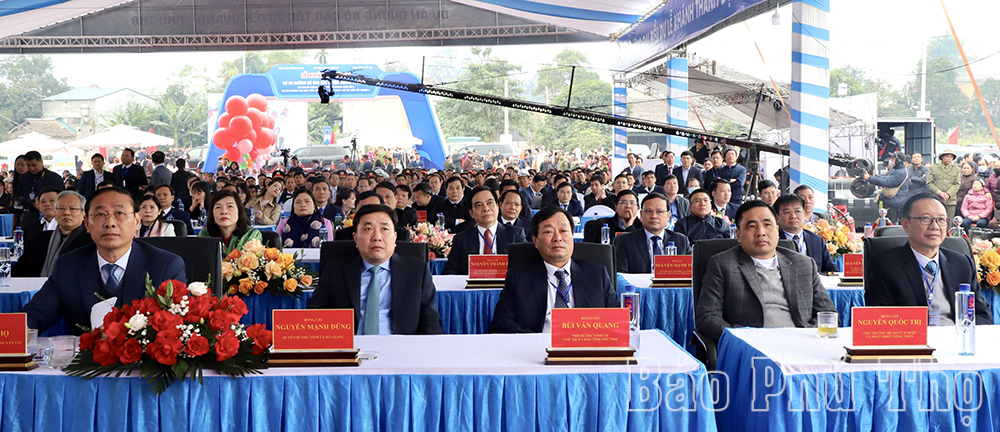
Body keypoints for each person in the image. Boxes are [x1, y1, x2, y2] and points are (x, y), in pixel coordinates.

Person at [20, 186, 186, 335]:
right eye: (100, 214)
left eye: (119, 213)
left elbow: (177, 324)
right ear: (86, 223)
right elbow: (37, 313)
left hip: (142, 366)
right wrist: (14, 331)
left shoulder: (165, 265)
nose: (110, 223)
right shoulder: (69, 265)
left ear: (137, 221)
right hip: (85, 364)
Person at [695, 200, 837, 344]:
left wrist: (806, 338)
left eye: (767, 225)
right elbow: (707, 317)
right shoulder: (723, 264)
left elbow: (828, 314)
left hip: (801, 345)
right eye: (751, 226)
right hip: (753, 348)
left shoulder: (804, 264)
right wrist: (741, 339)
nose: (761, 232)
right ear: (738, 234)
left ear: (777, 229)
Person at [306, 204, 443, 335]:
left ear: (395, 238)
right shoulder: (335, 271)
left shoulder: (417, 271)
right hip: (351, 349)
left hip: (401, 349)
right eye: (368, 229)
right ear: (356, 238)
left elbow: (430, 319)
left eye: (384, 229)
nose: (377, 237)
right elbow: (314, 314)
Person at [864, 193, 991, 325]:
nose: (934, 226)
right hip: (913, 342)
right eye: (925, 218)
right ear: (906, 224)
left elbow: (982, 314)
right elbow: (880, 320)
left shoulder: (962, 263)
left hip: (958, 339)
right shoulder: (885, 265)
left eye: (941, 219)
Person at [488, 206, 619, 333]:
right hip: (537, 349)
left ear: (572, 236)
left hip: (586, 348)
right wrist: (534, 341)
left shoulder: (597, 275)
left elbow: (617, 320)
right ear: (535, 241)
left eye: (563, 231)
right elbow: (501, 323)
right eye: (548, 232)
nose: (557, 238)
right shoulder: (518, 278)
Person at [443, 187, 526, 275]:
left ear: (498, 206)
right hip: (471, 288)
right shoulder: (461, 239)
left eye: (490, 203)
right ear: (471, 213)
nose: (486, 208)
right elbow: (450, 271)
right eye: (479, 205)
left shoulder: (515, 235)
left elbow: (524, 267)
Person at [13, 191, 93, 278]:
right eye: (61, 208)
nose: (66, 213)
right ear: (55, 213)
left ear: (83, 214)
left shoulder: (91, 242)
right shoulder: (38, 239)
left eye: (72, 209)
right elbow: (20, 270)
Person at [614, 193, 691, 273]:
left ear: (668, 216)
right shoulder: (624, 241)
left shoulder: (681, 241)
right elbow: (620, 275)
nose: (654, 216)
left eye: (659, 212)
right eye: (649, 211)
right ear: (641, 214)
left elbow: (690, 273)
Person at [773, 194, 837, 273]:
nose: (793, 216)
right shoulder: (773, 241)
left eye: (797, 211)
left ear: (804, 214)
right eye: (786, 212)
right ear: (777, 218)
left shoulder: (816, 240)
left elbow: (831, 269)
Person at [197, 190, 262, 255]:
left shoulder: (252, 235)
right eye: (218, 207)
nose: (224, 211)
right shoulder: (205, 235)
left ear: (239, 211)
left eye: (230, 206)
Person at [863, 151, 910, 222]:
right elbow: (886, 178)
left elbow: (886, 182)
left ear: (898, 161)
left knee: (891, 225)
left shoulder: (899, 172)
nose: (891, 160)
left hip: (894, 204)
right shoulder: (899, 170)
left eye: (893, 158)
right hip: (894, 202)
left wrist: (869, 178)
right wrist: (874, 176)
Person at [926, 150, 961, 219]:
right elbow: (929, 183)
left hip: (950, 200)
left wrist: (948, 194)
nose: (949, 158)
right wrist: (939, 192)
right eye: (947, 156)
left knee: (949, 220)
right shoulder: (934, 167)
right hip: (936, 198)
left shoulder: (956, 169)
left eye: (951, 157)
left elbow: (957, 184)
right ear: (942, 157)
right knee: (935, 219)